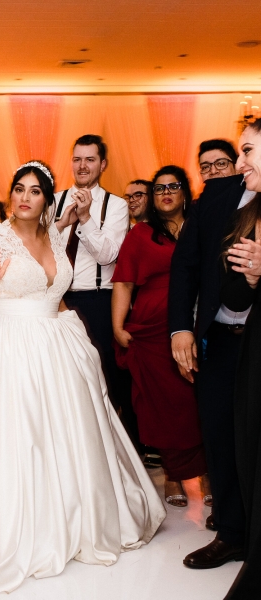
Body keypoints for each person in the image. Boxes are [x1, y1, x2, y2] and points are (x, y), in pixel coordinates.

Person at [0, 160, 165, 595]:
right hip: (4, 344)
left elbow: (55, 293)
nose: (25, 197)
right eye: (19, 189)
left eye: (35, 191)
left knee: (64, 437)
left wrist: (75, 339)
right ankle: (9, 528)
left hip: (53, 344)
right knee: (15, 438)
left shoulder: (55, 237)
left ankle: (70, 519)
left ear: (47, 199)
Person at [169, 138, 249, 569]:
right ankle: (232, 532)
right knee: (219, 431)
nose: (238, 164)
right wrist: (181, 328)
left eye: (246, 153)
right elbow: (185, 266)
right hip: (219, 337)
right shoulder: (215, 200)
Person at [112, 165, 210, 508]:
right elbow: (123, 282)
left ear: (185, 191)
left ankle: (207, 471)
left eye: (173, 186)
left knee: (198, 401)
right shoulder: (141, 234)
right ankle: (172, 473)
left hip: (198, 322)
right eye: (159, 188)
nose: (166, 193)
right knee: (166, 406)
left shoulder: (201, 227)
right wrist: (118, 326)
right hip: (153, 331)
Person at [53, 135, 129, 410]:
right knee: (62, 377)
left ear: (102, 164)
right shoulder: (52, 201)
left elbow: (108, 255)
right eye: (77, 159)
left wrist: (85, 218)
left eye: (90, 159)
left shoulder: (116, 205)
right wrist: (61, 225)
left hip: (97, 302)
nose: (82, 166)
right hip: (56, 301)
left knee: (102, 377)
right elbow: (38, 249)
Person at [218, 120, 261, 598]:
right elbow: (230, 292)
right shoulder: (248, 214)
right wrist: (250, 279)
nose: (240, 161)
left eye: (247, 150)